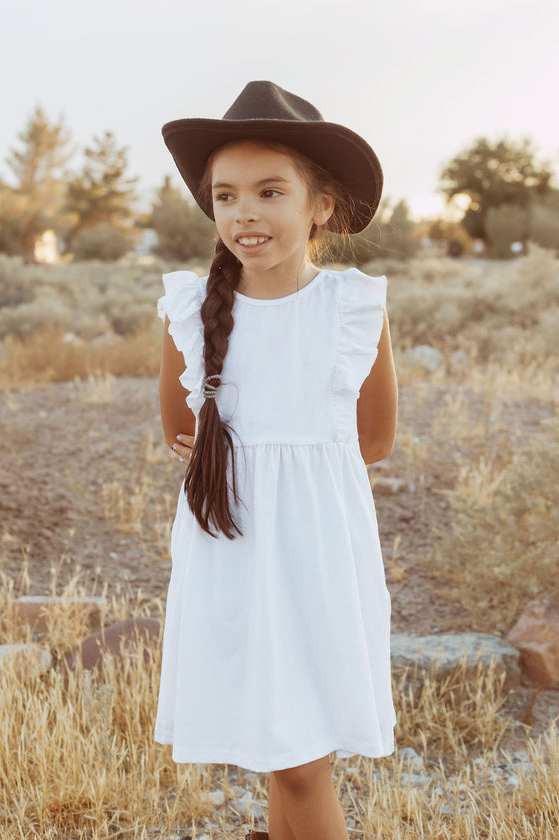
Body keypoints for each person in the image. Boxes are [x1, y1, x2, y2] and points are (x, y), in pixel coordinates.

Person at [155, 81, 398, 840]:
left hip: (318, 552)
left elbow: (376, 438)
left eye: (269, 191)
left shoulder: (351, 308)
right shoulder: (191, 311)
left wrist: (297, 469)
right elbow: (180, 430)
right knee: (276, 745)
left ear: (321, 205)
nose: (244, 213)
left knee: (300, 754)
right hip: (230, 550)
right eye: (225, 196)